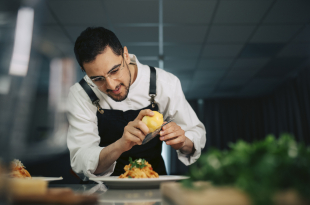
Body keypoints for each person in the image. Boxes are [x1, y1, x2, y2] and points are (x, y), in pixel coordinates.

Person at [66, 27, 206, 180]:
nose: (112, 86)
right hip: (105, 190)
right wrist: (121, 144)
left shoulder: (164, 83)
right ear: (84, 71)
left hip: (155, 182)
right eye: (98, 79)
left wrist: (182, 141)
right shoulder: (80, 94)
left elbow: (196, 134)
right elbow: (80, 160)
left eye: (115, 70)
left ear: (125, 55)